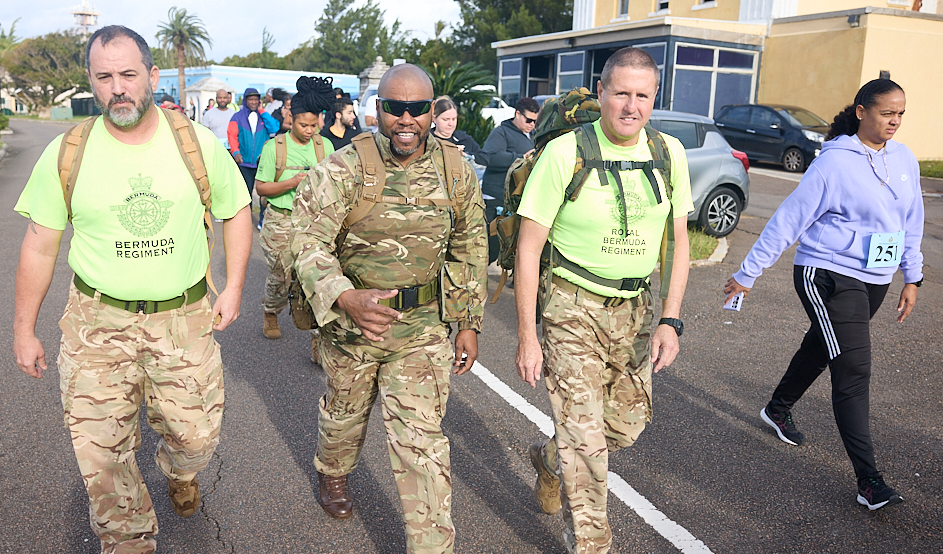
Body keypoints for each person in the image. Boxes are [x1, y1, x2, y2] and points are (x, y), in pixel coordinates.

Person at [11, 25, 253, 554]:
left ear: (151, 76)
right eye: (104, 77)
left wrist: (233, 286)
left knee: (195, 439)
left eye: (128, 74)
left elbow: (235, 209)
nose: (118, 88)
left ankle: (178, 472)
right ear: (92, 83)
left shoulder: (195, 143)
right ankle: (129, 540)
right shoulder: (67, 152)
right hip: (96, 325)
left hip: (183, 320)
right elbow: (38, 245)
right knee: (101, 456)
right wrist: (23, 329)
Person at [291, 63, 487, 553]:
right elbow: (306, 238)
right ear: (377, 109)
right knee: (344, 415)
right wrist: (342, 295)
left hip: (421, 327)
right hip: (350, 325)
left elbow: (469, 245)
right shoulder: (344, 166)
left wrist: (467, 322)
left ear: (431, 111)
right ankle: (332, 474)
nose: (406, 119)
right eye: (394, 108)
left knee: (421, 441)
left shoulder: (454, 168)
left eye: (418, 109)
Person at [514, 48, 691, 554]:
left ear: (654, 97)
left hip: (635, 309)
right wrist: (529, 336)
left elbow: (678, 242)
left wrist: (670, 320)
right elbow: (529, 248)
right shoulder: (565, 152)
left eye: (642, 95)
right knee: (588, 449)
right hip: (571, 308)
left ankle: (550, 460)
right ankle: (592, 543)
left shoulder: (668, 152)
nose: (631, 106)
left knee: (624, 427)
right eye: (621, 93)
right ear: (601, 93)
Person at [723, 78, 921, 512]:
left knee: (824, 344)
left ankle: (777, 408)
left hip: (876, 278)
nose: (895, 121)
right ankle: (870, 481)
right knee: (853, 368)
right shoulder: (833, 164)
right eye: (887, 112)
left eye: (901, 113)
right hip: (826, 273)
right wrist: (747, 273)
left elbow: (911, 218)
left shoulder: (904, 159)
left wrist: (913, 275)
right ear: (861, 111)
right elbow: (788, 219)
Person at [254, 76, 335, 340]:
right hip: (281, 221)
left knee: (314, 278)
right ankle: (270, 310)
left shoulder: (326, 147)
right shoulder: (274, 148)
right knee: (281, 276)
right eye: (303, 125)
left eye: (314, 125)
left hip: (314, 222)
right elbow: (262, 188)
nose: (310, 130)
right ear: (291, 117)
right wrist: (291, 182)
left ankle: (316, 338)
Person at [480, 96, 539, 263]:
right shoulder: (501, 132)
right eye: (528, 120)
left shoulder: (530, 135)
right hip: (495, 198)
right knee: (491, 247)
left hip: (516, 201)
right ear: (517, 114)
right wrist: (521, 157)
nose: (532, 124)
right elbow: (489, 157)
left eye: (535, 121)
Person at [228, 87, 277, 195]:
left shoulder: (264, 115)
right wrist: (235, 152)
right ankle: (247, 212)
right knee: (245, 194)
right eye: (250, 99)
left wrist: (262, 111)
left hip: (263, 162)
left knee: (264, 194)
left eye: (256, 99)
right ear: (245, 100)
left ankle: (263, 213)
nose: (253, 102)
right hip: (244, 163)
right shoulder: (237, 117)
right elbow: (232, 136)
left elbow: (274, 129)